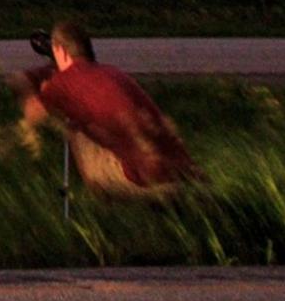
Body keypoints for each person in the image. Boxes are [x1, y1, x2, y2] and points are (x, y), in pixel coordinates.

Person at [21, 21, 198, 197]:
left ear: (60, 51)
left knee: (75, 128)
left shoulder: (63, 81)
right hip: (185, 172)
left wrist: (36, 87)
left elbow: (32, 114)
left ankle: (104, 204)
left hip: (144, 178)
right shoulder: (113, 73)